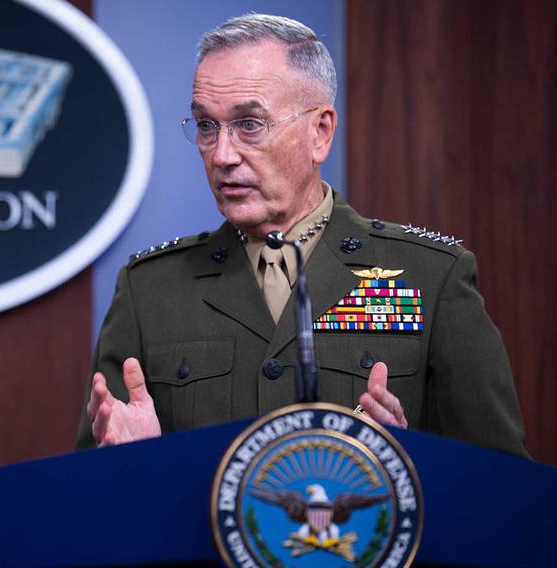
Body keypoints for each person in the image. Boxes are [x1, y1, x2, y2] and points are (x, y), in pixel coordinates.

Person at [76, 14, 527, 457]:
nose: (222, 154)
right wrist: (131, 464)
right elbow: (91, 500)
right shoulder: (149, 290)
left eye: (249, 124)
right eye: (207, 126)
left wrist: (408, 461)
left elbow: (502, 491)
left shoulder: (429, 278)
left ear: (320, 132)